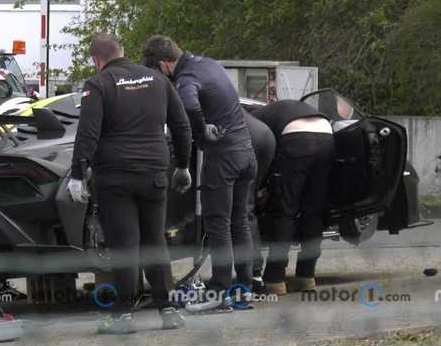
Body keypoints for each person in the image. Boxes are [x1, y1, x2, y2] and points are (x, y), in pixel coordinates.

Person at [68, 33, 193, 335]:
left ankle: (123, 315)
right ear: (122, 52)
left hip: (114, 177)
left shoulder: (98, 84)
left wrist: (76, 172)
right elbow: (181, 125)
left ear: (97, 61)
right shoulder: (157, 79)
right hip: (154, 174)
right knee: (155, 240)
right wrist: (184, 166)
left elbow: (88, 132)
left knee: (125, 245)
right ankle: (169, 310)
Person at [141, 35, 257, 313]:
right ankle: (244, 290)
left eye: (157, 72)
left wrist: (202, 129)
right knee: (239, 222)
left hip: (224, 157)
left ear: (164, 65)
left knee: (218, 224)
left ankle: (218, 292)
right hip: (246, 151)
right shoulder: (209, 63)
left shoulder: (186, 78)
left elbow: (190, 105)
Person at [250, 99, 334, 295]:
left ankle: (275, 279)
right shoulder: (278, 109)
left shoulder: (252, 120)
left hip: (296, 137)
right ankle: (306, 276)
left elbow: (263, 151)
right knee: (313, 211)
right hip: (327, 134)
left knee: (285, 210)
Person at [243, 110, 276, 292]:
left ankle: (252, 275)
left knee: (242, 211)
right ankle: (255, 273)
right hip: (264, 136)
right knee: (248, 208)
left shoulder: (186, 84)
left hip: (245, 139)